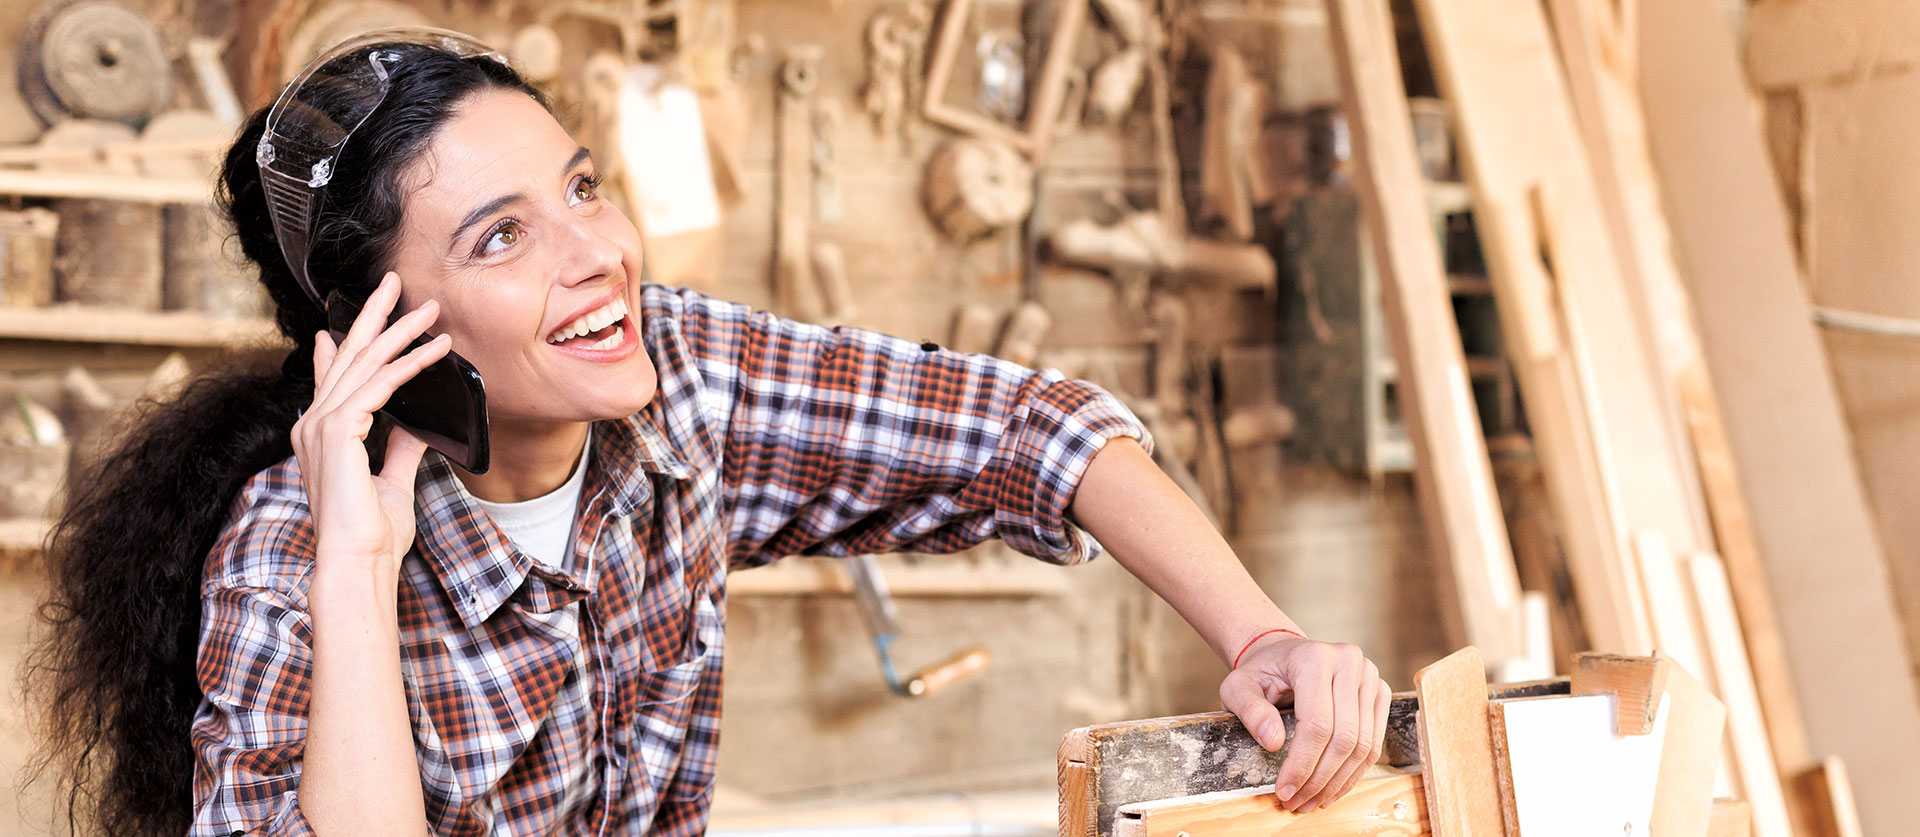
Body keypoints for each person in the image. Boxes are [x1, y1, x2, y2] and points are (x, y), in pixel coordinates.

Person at [26, 31, 1392, 836]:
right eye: (504, 237)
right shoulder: (286, 558)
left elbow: (1031, 429)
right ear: (380, 320)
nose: (598, 257)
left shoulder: (680, 374)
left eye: (582, 189)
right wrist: (356, 576)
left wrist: (1263, 634)